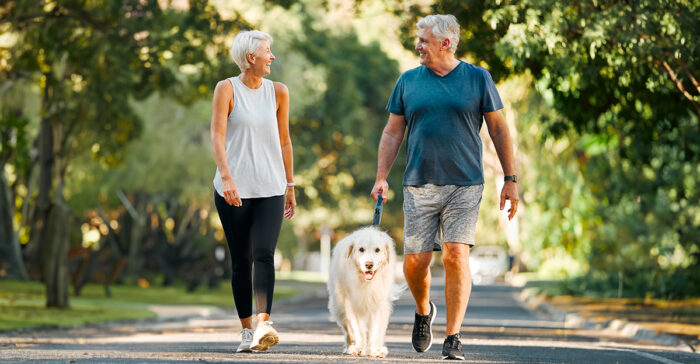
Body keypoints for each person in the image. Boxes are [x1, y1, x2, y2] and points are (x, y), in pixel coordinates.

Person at [370, 14, 519, 360]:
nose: (417, 45)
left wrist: (510, 179)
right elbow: (393, 132)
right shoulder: (408, 81)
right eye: (418, 39)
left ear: (445, 43)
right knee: (415, 263)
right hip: (418, 182)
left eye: (423, 40)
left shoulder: (478, 78)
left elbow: (499, 130)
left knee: (456, 254)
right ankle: (424, 311)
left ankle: (453, 336)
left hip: (465, 183)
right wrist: (381, 176)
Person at [210, 29, 296, 353]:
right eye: (267, 51)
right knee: (241, 259)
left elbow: (285, 140)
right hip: (233, 189)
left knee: (264, 254)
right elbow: (217, 136)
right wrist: (227, 177)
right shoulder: (226, 89)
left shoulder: (279, 92)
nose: (272, 56)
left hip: (270, 187)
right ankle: (247, 330)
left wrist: (290, 184)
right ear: (251, 57)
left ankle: (263, 325)